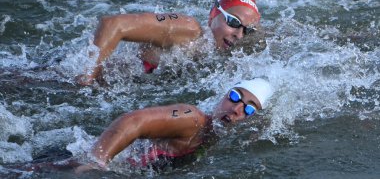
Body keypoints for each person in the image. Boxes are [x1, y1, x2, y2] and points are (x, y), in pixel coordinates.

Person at [75, 77, 273, 172]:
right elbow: (133, 120)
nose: (236, 109)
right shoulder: (193, 119)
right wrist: (95, 162)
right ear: (224, 95)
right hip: (74, 163)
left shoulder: (221, 138)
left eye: (249, 109)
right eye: (235, 96)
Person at [78, 0, 261, 85]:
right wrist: (86, 79)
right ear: (213, 15)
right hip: (81, 80)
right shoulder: (188, 30)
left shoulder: (234, 47)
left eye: (247, 30)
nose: (239, 34)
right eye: (233, 22)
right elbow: (112, 24)